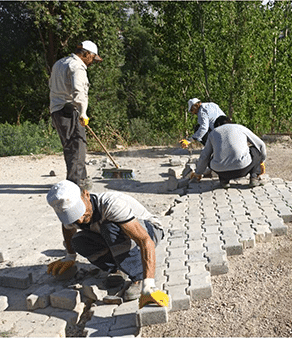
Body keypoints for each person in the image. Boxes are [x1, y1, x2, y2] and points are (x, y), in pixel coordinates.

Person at [46, 180, 169, 308]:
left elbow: (145, 240)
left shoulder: (111, 205)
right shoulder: (70, 217)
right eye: (73, 216)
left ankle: (138, 277)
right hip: (115, 234)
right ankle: (117, 269)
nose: (80, 220)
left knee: (109, 227)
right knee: (79, 241)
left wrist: (148, 285)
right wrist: (70, 256)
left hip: (149, 231)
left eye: (79, 211)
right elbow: (67, 228)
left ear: (86, 195)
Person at [49, 40, 103, 191]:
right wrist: (83, 113)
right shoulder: (77, 66)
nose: (92, 62)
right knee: (77, 146)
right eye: (92, 58)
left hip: (56, 110)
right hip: (69, 111)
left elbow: (51, 86)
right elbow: (79, 91)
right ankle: (77, 184)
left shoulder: (59, 63)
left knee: (69, 147)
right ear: (86, 54)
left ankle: (79, 179)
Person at [191, 116, 266, 188]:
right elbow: (261, 144)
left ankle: (224, 180)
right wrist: (262, 161)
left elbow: (205, 155)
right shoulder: (240, 127)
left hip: (222, 172)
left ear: (218, 125)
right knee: (256, 149)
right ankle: (254, 177)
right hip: (242, 169)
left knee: (213, 156)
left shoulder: (213, 133)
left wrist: (198, 173)